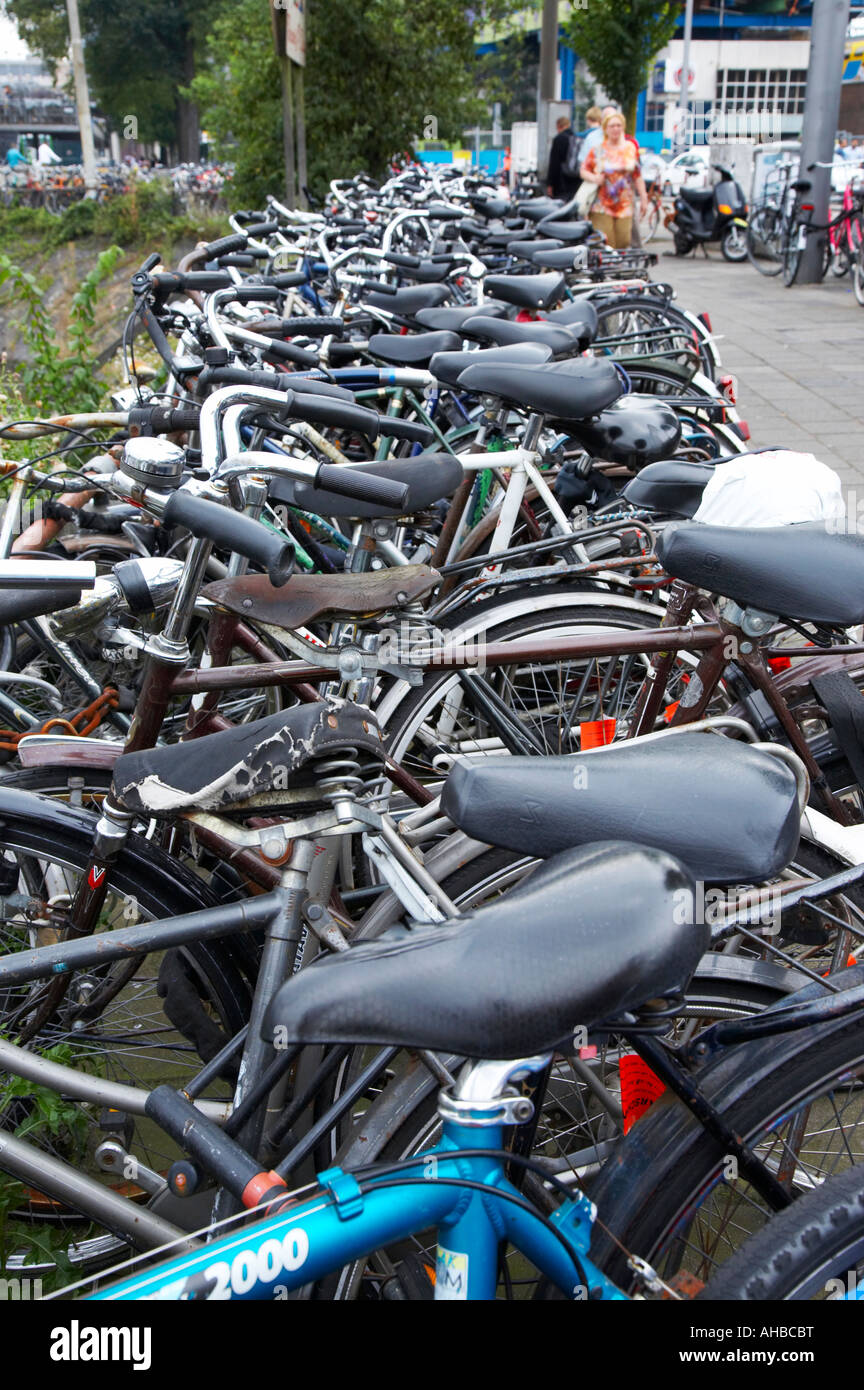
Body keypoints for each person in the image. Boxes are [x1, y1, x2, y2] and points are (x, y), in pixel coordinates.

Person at [579, 109, 648, 250]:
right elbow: (583, 170)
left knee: (624, 241)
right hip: (601, 205)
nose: (615, 129)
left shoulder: (630, 148)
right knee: (606, 243)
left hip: (624, 205)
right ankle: (607, 269)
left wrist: (644, 197)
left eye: (618, 125)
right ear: (605, 129)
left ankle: (617, 269)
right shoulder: (598, 150)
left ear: (623, 127)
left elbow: (637, 175)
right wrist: (594, 178)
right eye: (612, 126)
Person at [547, 114, 581, 200]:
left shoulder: (558, 139)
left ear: (559, 126)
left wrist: (550, 184)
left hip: (561, 181)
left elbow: (554, 163)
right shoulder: (576, 138)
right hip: (575, 179)